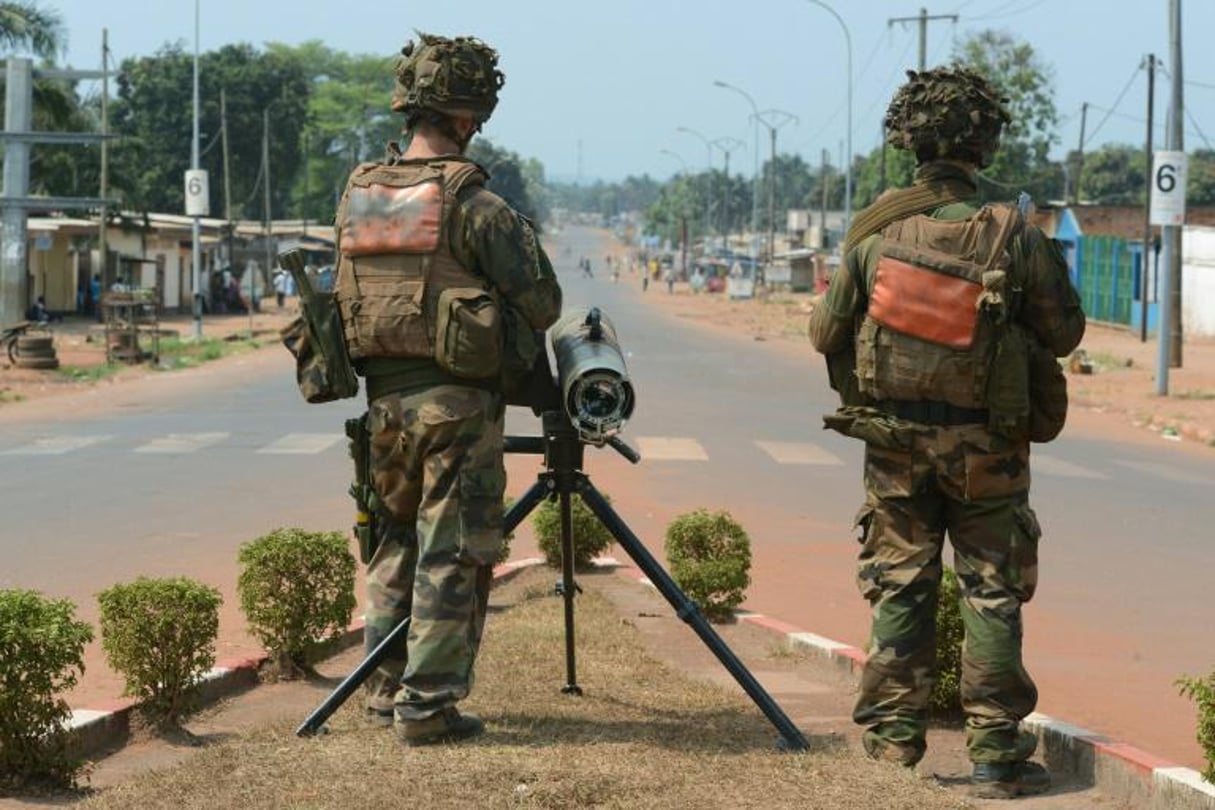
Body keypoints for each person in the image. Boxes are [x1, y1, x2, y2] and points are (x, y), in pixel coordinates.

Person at [807, 67, 1085, 799]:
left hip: (895, 447)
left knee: (899, 587)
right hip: (987, 450)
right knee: (989, 593)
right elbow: (1063, 334)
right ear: (983, 143)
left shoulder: (875, 233)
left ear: (907, 141)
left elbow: (823, 333)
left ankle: (892, 749)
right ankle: (994, 756)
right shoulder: (1014, 234)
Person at [334, 32, 562, 746]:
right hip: (456, 406)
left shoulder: (358, 197)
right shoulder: (475, 204)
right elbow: (543, 302)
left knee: (393, 543)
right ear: (470, 116)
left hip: (382, 407)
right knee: (452, 548)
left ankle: (382, 687)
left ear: (410, 108)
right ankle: (427, 705)